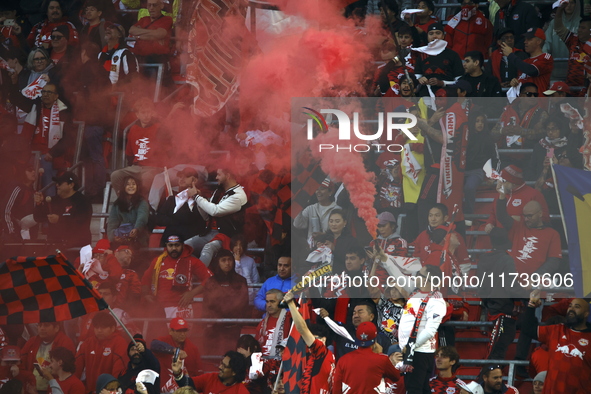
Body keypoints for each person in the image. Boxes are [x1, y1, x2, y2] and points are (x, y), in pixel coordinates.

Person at [10, 82, 75, 192]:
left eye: (49, 92)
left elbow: (68, 138)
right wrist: (14, 81)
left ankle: (49, 201)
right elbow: (15, 98)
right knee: (20, 169)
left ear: (56, 96)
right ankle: (26, 199)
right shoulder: (35, 106)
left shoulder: (64, 112)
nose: (45, 94)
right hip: (30, 152)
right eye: (44, 92)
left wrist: (52, 153)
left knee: (46, 168)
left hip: (51, 154)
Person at [398, 265, 447, 394]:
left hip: (420, 352)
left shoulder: (437, 301)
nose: (416, 275)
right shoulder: (416, 292)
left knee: (414, 389)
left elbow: (430, 331)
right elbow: (397, 276)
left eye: (420, 274)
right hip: (414, 350)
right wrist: (384, 260)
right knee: (423, 389)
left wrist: (411, 347)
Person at [141, 234, 212, 319]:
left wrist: (192, 293)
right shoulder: (158, 261)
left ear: (182, 245)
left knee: (180, 333)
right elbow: (146, 278)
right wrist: (145, 294)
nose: (174, 248)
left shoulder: (192, 261)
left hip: (181, 307)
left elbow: (210, 279)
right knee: (160, 333)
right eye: (170, 245)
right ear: (166, 246)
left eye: (177, 245)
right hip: (158, 308)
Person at [185, 167, 248, 258]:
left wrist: (196, 197)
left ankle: (202, 272)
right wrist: (199, 198)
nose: (216, 178)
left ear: (227, 176)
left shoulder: (238, 196)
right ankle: (192, 271)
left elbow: (215, 211)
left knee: (208, 249)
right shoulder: (218, 191)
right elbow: (206, 216)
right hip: (209, 232)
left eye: (219, 175)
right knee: (185, 247)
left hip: (227, 236)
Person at [110, 97, 166, 196]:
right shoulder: (133, 129)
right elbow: (129, 153)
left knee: (145, 179)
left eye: (149, 112)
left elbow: (167, 150)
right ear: (137, 114)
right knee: (115, 175)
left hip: (154, 167)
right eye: (143, 112)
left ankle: (142, 205)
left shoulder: (159, 128)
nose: (146, 115)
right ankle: (125, 201)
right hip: (137, 167)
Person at [283, 290, 335, 394]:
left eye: (313, 338)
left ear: (323, 339)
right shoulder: (324, 357)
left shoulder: (321, 351)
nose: (309, 342)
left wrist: (291, 304)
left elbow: (302, 329)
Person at [333, 321, 401, 394]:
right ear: (375, 340)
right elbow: (396, 377)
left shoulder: (343, 360)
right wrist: (380, 354)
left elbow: (336, 389)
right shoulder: (382, 359)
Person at [203, 249, 249, 354]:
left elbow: (244, 303)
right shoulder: (211, 281)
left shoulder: (241, 280)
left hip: (234, 326)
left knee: (232, 354)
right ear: (218, 262)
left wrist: (239, 322)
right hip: (215, 327)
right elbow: (206, 305)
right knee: (215, 356)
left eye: (229, 260)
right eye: (223, 260)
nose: (227, 263)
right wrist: (209, 323)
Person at [33, 171, 92, 248]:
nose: (57, 185)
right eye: (56, 183)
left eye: (60, 183)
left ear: (71, 185)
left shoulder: (82, 201)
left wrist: (59, 219)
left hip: (76, 248)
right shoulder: (53, 200)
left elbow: (81, 222)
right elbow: (38, 218)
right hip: (55, 247)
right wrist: (39, 204)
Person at [75, 311, 129, 393]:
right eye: (96, 327)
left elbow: (119, 372)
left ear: (113, 328)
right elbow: (76, 367)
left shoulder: (119, 343)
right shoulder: (88, 343)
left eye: (103, 327)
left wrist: (111, 391)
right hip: (90, 390)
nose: (99, 330)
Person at [154, 166, 208, 246]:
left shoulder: (201, 199)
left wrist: (172, 217)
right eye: (180, 177)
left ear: (195, 180)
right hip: (170, 241)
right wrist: (176, 221)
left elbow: (190, 218)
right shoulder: (172, 199)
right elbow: (159, 219)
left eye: (186, 176)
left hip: (191, 242)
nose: (182, 179)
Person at [411, 203, 471, 273]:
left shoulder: (454, 236)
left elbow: (464, 264)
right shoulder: (422, 235)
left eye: (437, 215)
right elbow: (416, 259)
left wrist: (458, 281)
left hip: (447, 278)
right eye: (430, 215)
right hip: (425, 278)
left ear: (445, 218)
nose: (433, 219)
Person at [20, 322, 76, 393]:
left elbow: (68, 369)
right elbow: (21, 363)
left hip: (55, 389)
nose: (42, 328)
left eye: (46, 325)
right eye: (39, 325)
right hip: (32, 388)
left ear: (56, 328)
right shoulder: (32, 341)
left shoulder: (65, 342)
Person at [152, 317, 202, 394]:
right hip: (163, 390)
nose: (182, 334)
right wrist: (175, 350)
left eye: (184, 331)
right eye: (179, 331)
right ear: (170, 331)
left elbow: (198, 373)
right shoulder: (163, 341)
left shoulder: (193, 348)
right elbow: (154, 345)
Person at [415, 23, 464, 96]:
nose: (434, 36)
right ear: (427, 37)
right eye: (431, 34)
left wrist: (442, 83)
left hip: (447, 95)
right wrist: (420, 80)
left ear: (443, 36)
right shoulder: (422, 55)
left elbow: (460, 81)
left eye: (438, 33)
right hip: (426, 94)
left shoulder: (453, 55)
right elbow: (416, 77)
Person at [502, 28, 553, 95]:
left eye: (529, 39)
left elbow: (532, 70)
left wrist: (510, 55)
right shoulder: (525, 61)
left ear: (539, 41)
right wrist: (514, 82)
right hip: (524, 102)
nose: (525, 42)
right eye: (525, 39)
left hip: (538, 101)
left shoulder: (546, 57)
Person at [463, 110, 496, 216]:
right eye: (477, 121)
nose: (480, 124)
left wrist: (492, 174)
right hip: (461, 170)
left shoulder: (488, 138)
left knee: (469, 187)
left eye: (482, 121)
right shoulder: (464, 137)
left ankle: (469, 215)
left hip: (477, 171)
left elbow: (494, 158)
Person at [171, 351, 249, 394]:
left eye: (224, 366)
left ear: (234, 372)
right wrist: (177, 372)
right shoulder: (210, 378)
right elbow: (188, 384)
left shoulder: (241, 392)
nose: (220, 367)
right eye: (221, 363)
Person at [293, 178, 340, 248]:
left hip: (330, 247)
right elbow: (298, 225)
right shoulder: (310, 208)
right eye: (317, 189)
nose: (318, 191)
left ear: (330, 192)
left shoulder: (337, 209)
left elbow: (340, 231)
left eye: (322, 189)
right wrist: (299, 208)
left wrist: (325, 235)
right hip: (312, 249)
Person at [553, 3, 590, 89]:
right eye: (579, 27)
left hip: (587, 89)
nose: (579, 30)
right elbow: (558, 28)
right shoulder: (573, 40)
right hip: (570, 88)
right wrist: (560, 10)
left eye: (583, 28)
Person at [107, 176, 150, 248]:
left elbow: (142, 217)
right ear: (123, 187)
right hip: (121, 239)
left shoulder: (142, 202)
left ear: (137, 186)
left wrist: (136, 229)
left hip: (138, 239)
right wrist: (113, 236)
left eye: (133, 184)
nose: (131, 186)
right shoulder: (117, 204)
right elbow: (112, 222)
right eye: (128, 184)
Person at [129, 0, 172, 67]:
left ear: (161, 6)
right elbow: (131, 30)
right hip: (139, 58)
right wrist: (153, 33)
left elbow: (160, 34)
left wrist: (139, 36)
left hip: (157, 58)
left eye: (154, 5)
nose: (151, 8)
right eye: (149, 5)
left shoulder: (167, 19)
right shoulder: (143, 19)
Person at [525, 117, 570, 182]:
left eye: (554, 129)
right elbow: (532, 167)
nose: (550, 132)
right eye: (548, 129)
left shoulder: (567, 147)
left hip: (560, 182)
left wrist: (557, 165)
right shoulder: (539, 146)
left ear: (560, 130)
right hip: (541, 182)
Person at [1, 163, 37, 241]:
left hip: (27, 234)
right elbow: (5, 210)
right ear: (22, 172)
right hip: (14, 235)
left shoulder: (32, 191)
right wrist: (11, 232)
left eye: (34, 170)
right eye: (30, 170)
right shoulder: (17, 188)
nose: (33, 172)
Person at [255, 289, 292, 357]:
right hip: (263, 363)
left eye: (272, 301)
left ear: (281, 302)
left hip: (282, 362)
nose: (269, 305)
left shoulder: (290, 319)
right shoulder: (263, 323)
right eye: (267, 302)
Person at [231, 235, 260, 305]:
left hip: (249, 298)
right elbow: (233, 277)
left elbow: (256, 281)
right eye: (236, 245)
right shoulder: (228, 260)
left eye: (241, 245)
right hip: (233, 299)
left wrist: (254, 300)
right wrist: (237, 262)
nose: (238, 248)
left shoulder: (250, 260)